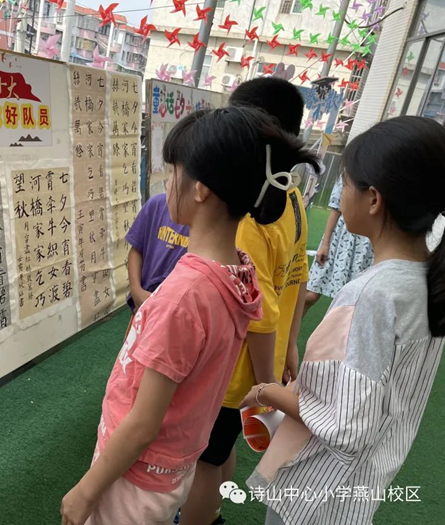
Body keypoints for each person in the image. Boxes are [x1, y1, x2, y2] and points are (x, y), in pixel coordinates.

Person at [60, 107, 318, 525]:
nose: (166, 183)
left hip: (136, 478)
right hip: (173, 468)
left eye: (171, 172)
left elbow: (143, 425)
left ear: (200, 190)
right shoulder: (239, 270)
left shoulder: (184, 297)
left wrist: (85, 492)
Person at [242, 116, 445, 525]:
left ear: (374, 200)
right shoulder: (426, 281)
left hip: (317, 490)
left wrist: (268, 392)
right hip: (365, 481)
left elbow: (345, 424)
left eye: (345, 183)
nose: (341, 193)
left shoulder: (372, 295)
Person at [181, 77, 313, 525]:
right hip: (261, 363)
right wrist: (290, 345)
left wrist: (267, 385)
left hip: (236, 371)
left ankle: (201, 517)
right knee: (220, 452)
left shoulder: (250, 216)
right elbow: (297, 273)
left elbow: (260, 312)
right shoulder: (289, 196)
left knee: (203, 461)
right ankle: (214, 512)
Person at [303, 176, 374, 315]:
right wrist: (325, 244)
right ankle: (287, 328)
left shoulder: (386, 173)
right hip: (339, 238)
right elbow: (335, 208)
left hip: (366, 246)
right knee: (310, 294)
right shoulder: (350, 172)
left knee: (351, 302)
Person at [126, 192, 189, 312]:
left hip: (177, 308)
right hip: (144, 301)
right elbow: (136, 250)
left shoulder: (204, 220)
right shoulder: (156, 204)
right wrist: (136, 290)